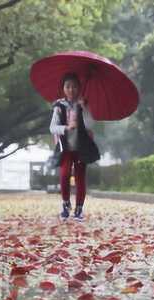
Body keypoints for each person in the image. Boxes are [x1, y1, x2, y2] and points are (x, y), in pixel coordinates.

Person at [49, 72, 98, 221]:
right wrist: (66, 127)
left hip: (81, 147)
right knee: (64, 175)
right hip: (65, 148)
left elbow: (90, 125)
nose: (71, 89)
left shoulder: (83, 104)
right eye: (68, 86)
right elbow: (52, 127)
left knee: (80, 178)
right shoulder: (59, 106)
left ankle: (79, 208)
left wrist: (84, 109)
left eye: (74, 86)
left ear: (79, 88)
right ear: (63, 88)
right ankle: (65, 204)